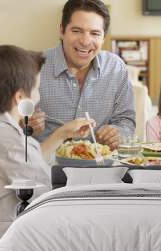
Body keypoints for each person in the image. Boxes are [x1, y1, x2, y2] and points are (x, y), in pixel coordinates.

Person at [0, 45, 94, 221]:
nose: (38, 95)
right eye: (36, 88)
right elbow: (44, 197)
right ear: (20, 98)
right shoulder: (14, 142)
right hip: (8, 232)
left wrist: (62, 133)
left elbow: (27, 163)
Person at [30, 0, 135, 150]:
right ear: (62, 30)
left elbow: (126, 121)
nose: (85, 41)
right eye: (77, 31)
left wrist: (119, 133)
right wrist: (27, 126)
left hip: (100, 165)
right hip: (47, 166)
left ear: (103, 38)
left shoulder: (116, 68)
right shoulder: (34, 68)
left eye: (95, 33)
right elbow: (15, 128)